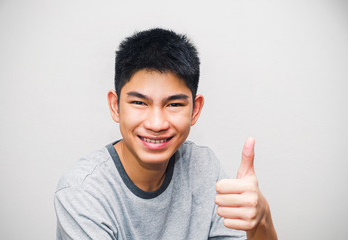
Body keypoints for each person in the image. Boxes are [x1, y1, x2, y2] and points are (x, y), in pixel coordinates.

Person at [54, 28, 277, 240]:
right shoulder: (82, 192)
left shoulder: (204, 168)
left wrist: (262, 221)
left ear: (195, 110)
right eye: (139, 102)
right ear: (115, 106)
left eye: (174, 104)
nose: (157, 123)